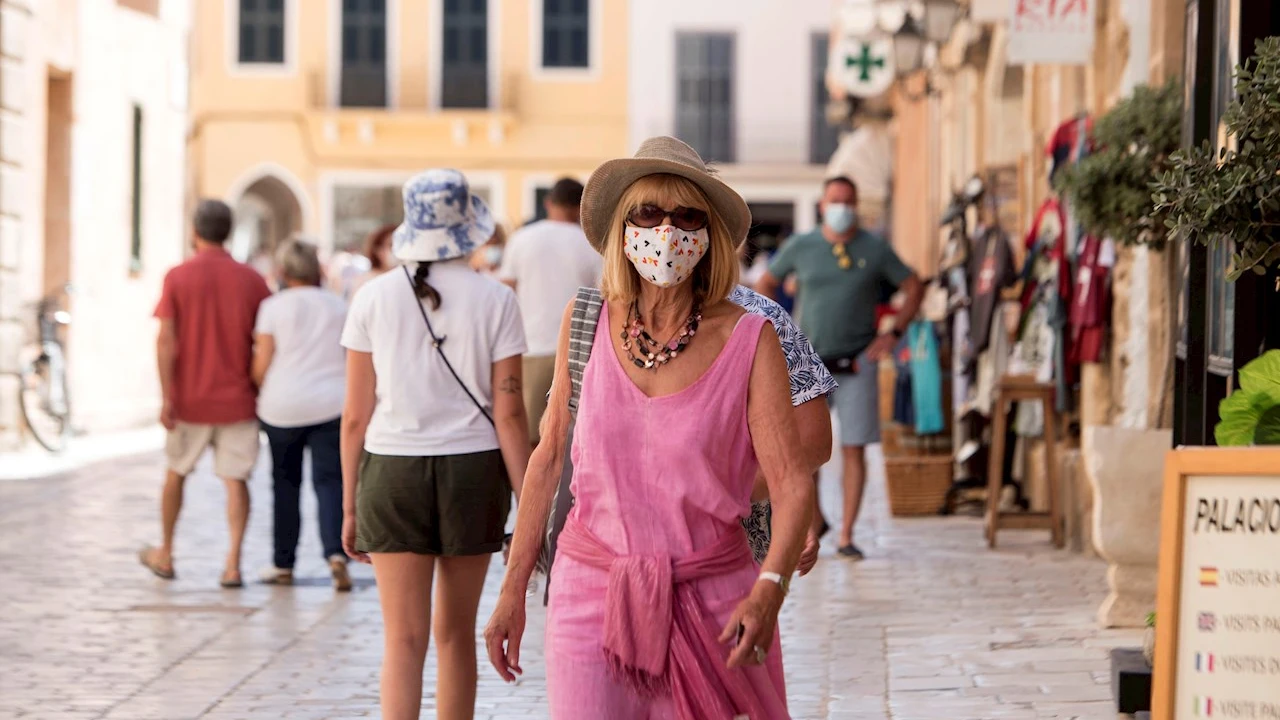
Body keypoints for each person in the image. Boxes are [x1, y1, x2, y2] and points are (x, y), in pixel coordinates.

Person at [485, 137, 814, 719]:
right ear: (622, 229)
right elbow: (548, 455)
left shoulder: (751, 337)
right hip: (590, 593)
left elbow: (792, 483)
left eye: (688, 216)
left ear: (709, 235)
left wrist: (770, 589)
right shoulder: (584, 321)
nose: (668, 231)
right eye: (648, 213)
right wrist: (513, 588)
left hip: (717, 604)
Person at [339, 169, 531, 720]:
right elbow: (510, 411)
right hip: (473, 472)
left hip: (390, 473)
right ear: (469, 226)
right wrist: (527, 500)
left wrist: (350, 505)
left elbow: (355, 416)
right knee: (455, 636)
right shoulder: (497, 300)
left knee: (402, 640)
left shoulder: (371, 297)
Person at [755, 176, 924, 561]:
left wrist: (892, 334)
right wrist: (776, 331)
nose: (842, 208)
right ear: (822, 205)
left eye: (848, 201)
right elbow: (766, 281)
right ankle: (813, 523)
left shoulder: (875, 249)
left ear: (857, 204)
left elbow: (914, 286)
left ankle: (846, 533)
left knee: (853, 447)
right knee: (804, 450)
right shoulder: (802, 245)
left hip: (858, 360)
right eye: (835, 201)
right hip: (808, 363)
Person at [140, 199, 272, 588]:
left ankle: (165, 550)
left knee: (176, 474)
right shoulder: (252, 280)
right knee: (236, 480)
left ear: (194, 231)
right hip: (237, 398)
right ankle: (232, 564)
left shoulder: (177, 277)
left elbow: (166, 340)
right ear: (227, 232)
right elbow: (265, 341)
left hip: (190, 399)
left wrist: (167, 397)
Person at [252, 239, 351, 592]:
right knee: (330, 482)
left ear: (283, 271)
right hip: (332, 403)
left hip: (283, 406)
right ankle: (336, 554)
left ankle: (283, 563)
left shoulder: (272, 307)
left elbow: (262, 361)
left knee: (284, 484)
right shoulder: (339, 306)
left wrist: (259, 385)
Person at [497, 178, 603, 446]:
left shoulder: (521, 239)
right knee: (575, 440)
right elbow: (607, 298)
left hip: (529, 348)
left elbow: (505, 294)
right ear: (581, 208)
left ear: (548, 203)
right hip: (581, 352)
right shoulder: (593, 244)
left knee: (533, 438)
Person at [349, 223, 396, 298]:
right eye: (390, 245)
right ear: (377, 250)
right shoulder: (365, 281)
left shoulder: (409, 277)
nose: (395, 250)